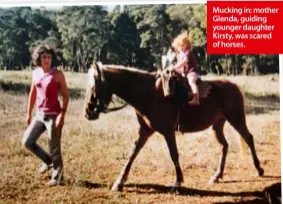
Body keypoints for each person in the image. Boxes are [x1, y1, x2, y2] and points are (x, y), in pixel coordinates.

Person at [22, 45, 69, 186]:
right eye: (44, 57)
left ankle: (57, 176)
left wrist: (62, 115)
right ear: (38, 58)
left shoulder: (58, 74)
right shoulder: (35, 73)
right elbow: (33, 93)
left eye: (49, 57)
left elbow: (66, 97)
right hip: (39, 115)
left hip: (54, 115)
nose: (47, 60)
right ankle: (48, 161)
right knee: (27, 141)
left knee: (54, 147)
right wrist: (29, 113)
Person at [170, 32, 199, 105]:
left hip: (191, 72)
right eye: (179, 46)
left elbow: (185, 62)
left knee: (191, 81)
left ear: (187, 45)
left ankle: (196, 99)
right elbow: (179, 65)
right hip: (185, 73)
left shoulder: (188, 53)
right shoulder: (181, 55)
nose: (181, 47)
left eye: (183, 45)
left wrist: (175, 67)